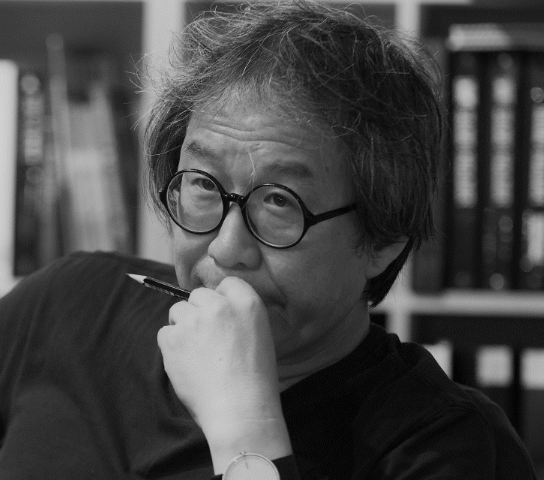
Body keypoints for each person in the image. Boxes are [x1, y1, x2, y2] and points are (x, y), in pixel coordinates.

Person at [0, 1, 536, 479]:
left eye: (279, 202)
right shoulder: (70, 306)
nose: (226, 248)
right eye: (203, 185)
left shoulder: (447, 447)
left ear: (383, 242)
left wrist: (244, 430)